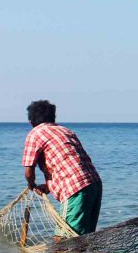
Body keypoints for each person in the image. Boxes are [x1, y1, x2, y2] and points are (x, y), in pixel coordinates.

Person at [22, 100, 103, 236]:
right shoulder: (66, 131)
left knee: (63, 238)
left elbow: (29, 171)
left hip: (75, 188)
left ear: (31, 121)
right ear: (53, 117)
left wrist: (31, 185)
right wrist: (49, 186)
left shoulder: (35, 133)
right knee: (83, 237)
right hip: (94, 185)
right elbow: (70, 162)